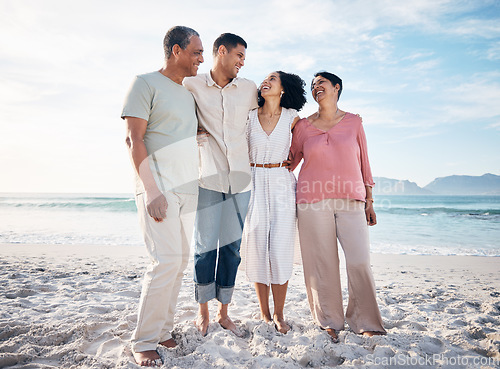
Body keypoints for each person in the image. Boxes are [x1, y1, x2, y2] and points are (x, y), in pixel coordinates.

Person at [121, 26, 204, 367]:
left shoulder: (188, 93)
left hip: (189, 188)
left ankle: (163, 331)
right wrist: (152, 191)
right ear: (176, 51)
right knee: (165, 262)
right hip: (159, 188)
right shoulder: (144, 83)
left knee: (179, 261)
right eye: (196, 52)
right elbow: (133, 139)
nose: (202, 58)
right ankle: (143, 340)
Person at [289, 71, 386, 343]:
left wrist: (370, 200)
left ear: (336, 87)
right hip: (311, 202)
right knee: (322, 263)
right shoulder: (303, 126)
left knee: (359, 261)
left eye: (322, 82)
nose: (316, 87)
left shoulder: (354, 122)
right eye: (313, 85)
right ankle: (329, 320)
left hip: (351, 200)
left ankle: (365, 320)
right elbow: (289, 161)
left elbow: (364, 161)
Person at [183, 33, 258, 336]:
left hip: (241, 179)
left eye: (244, 59)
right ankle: (202, 313)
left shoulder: (250, 89)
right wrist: (195, 131)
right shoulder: (192, 85)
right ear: (222, 52)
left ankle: (223, 312)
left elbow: (271, 115)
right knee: (204, 249)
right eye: (239, 55)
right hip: (208, 177)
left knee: (232, 250)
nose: (242, 62)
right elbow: (173, 113)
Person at [242, 71, 306, 333]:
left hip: (281, 181)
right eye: (265, 78)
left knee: (280, 249)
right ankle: (265, 313)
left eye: (273, 79)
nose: (265, 81)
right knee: (257, 247)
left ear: (282, 89)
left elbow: (304, 145)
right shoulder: (248, 116)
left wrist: (295, 163)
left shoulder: (292, 118)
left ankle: (279, 314)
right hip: (254, 180)